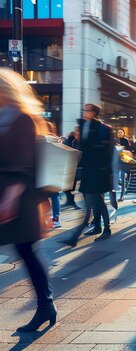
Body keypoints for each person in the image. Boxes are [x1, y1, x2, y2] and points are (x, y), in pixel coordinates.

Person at [0, 68, 56, 332]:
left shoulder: (21, 118)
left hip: (17, 200)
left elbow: (22, 163)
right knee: (28, 253)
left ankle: (46, 305)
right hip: (12, 197)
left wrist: (10, 198)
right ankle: (46, 305)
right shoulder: (7, 117)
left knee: (27, 252)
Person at [60, 103, 115, 246]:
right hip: (88, 171)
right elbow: (83, 149)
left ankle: (77, 236)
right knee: (95, 202)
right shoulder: (84, 126)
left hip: (98, 172)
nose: (85, 111)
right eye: (84, 109)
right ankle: (99, 227)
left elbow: (108, 153)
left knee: (92, 203)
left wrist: (107, 172)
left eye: (88, 110)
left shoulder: (104, 129)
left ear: (94, 113)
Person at [62, 126, 82, 210]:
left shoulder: (84, 143)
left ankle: (72, 202)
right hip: (73, 167)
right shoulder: (73, 141)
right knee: (67, 186)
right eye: (76, 134)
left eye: (79, 134)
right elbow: (65, 146)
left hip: (81, 168)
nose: (77, 136)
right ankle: (70, 202)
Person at [116, 129, 131, 201]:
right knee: (117, 179)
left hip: (123, 162)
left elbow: (129, 150)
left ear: (123, 133)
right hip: (116, 162)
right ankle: (128, 185)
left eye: (121, 132)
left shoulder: (125, 140)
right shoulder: (115, 140)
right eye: (118, 132)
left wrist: (121, 147)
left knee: (122, 179)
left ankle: (122, 195)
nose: (119, 133)